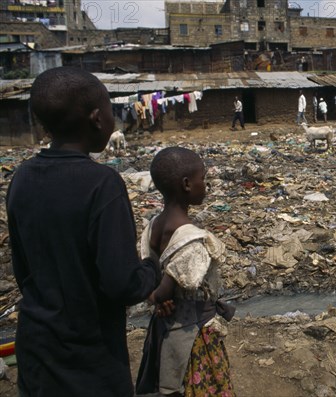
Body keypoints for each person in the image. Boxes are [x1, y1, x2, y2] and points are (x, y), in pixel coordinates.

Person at [6, 66, 160, 396]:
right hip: (89, 358)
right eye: (109, 109)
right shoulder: (102, 185)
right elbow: (121, 283)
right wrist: (151, 269)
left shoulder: (22, 178)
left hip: (36, 348)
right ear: (97, 119)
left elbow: (23, 270)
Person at [136, 147, 235, 396]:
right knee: (198, 386)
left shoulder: (151, 228)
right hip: (193, 337)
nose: (206, 185)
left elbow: (152, 277)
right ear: (187, 184)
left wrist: (159, 300)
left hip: (162, 328)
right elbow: (164, 290)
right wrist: (157, 299)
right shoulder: (194, 240)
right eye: (203, 178)